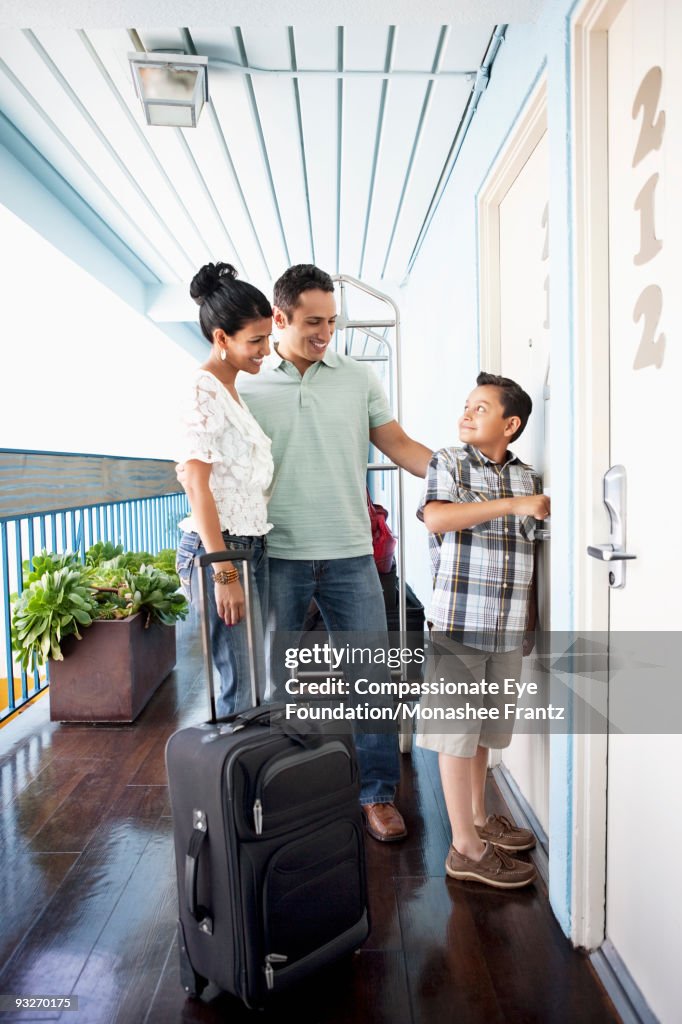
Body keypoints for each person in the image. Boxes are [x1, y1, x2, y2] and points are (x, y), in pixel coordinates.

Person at [237, 264, 433, 842]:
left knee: (373, 676)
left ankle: (377, 796)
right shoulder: (246, 384)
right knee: (273, 680)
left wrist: (454, 474)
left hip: (350, 553)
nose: (327, 333)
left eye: (333, 321)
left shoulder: (356, 378)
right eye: (314, 322)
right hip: (278, 552)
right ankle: (272, 787)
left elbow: (395, 443)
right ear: (281, 318)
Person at [417, 371, 550, 888]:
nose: (467, 413)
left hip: (508, 622)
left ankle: (477, 817)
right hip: (457, 620)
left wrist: (530, 621)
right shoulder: (448, 462)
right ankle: (464, 849)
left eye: (481, 408)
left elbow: (532, 554)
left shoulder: (528, 477)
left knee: (483, 734)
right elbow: (437, 519)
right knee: (455, 732)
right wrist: (513, 506)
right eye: (466, 405)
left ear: (511, 424)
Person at [175, 262, 274, 718]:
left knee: (252, 680)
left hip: (248, 544)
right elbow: (196, 482)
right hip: (220, 550)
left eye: (266, 338)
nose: (265, 351)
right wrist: (224, 572)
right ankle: (238, 789)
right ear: (221, 338)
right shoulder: (203, 390)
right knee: (242, 683)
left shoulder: (232, 392)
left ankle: (251, 785)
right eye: (255, 341)